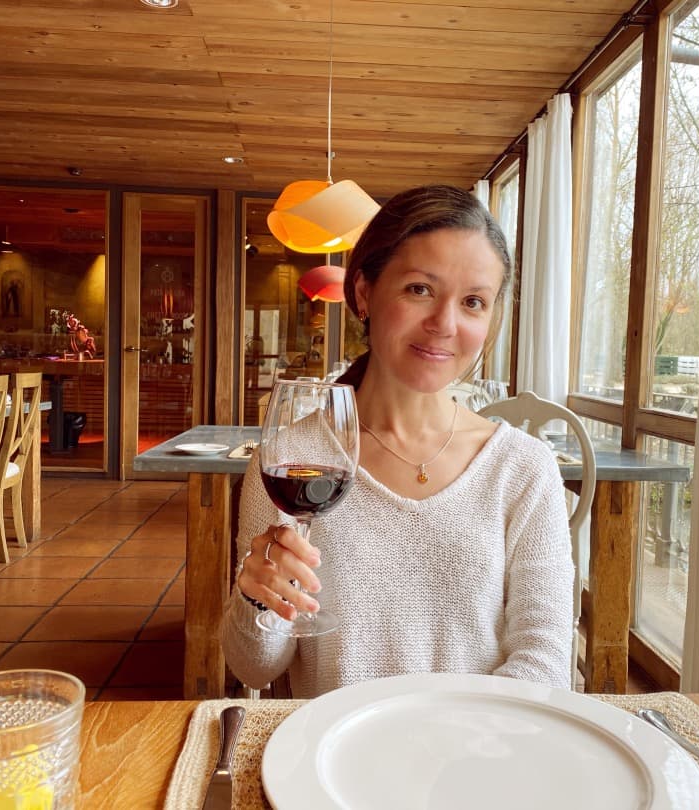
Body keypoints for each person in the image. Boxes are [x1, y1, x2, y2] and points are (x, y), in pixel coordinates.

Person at [221, 184, 574, 698]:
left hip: (475, 756)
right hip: (331, 762)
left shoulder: (523, 469)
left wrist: (445, 745)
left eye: (474, 302)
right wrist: (257, 599)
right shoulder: (291, 460)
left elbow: (545, 659)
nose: (444, 324)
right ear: (364, 293)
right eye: (419, 289)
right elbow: (255, 669)